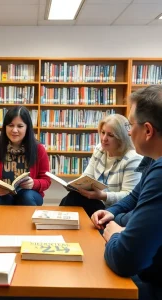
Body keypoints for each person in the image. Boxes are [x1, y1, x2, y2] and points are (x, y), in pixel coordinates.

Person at [91, 85, 162, 300]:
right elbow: (134, 196)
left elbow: (125, 259)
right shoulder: (153, 160)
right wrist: (113, 213)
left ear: (148, 130)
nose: (129, 132)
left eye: (131, 125)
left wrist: (115, 233)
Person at [60, 113, 143, 217]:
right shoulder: (100, 149)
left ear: (121, 138)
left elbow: (130, 196)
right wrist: (76, 186)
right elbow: (87, 175)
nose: (104, 138)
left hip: (115, 209)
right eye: (103, 132)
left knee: (73, 199)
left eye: (110, 135)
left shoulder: (133, 158)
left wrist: (103, 196)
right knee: (74, 196)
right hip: (97, 201)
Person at [0, 106, 51, 205]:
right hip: (2, 195)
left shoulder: (38, 148)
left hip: (29, 194)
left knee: (26, 197)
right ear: (5, 126)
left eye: (20, 126)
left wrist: (34, 184)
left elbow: (46, 181)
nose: (14, 130)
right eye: (10, 125)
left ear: (27, 127)